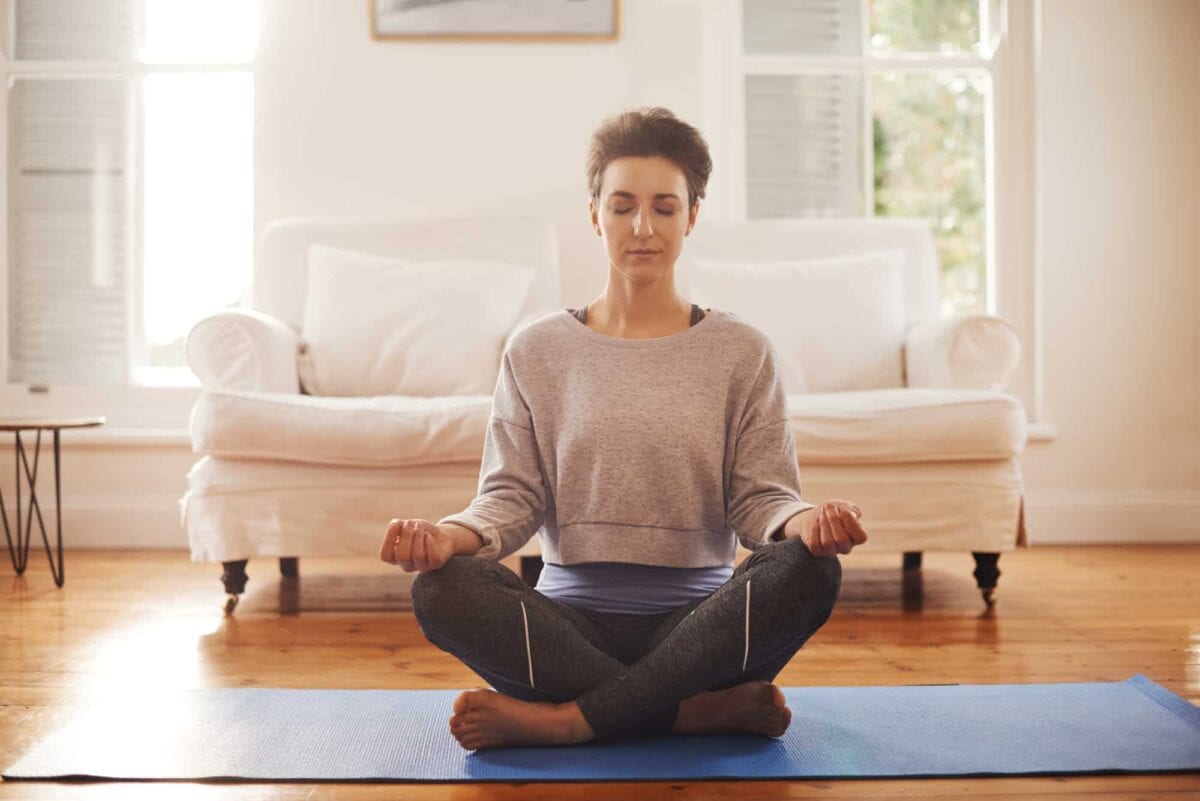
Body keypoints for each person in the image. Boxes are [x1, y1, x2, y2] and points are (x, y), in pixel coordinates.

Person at [379, 107, 868, 752]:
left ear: (692, 215)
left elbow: (761, 499)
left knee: (809, 571)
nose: (643, 227)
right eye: (623, 206)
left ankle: (569, 720)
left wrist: (807, 523)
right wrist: (443, 536)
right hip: (564, 631)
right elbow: (511, 498)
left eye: (665, 208)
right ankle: (684, 713)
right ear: (595, 214)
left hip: (701, 630)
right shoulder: (536, 349)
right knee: (442, 588)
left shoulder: (741, 350)